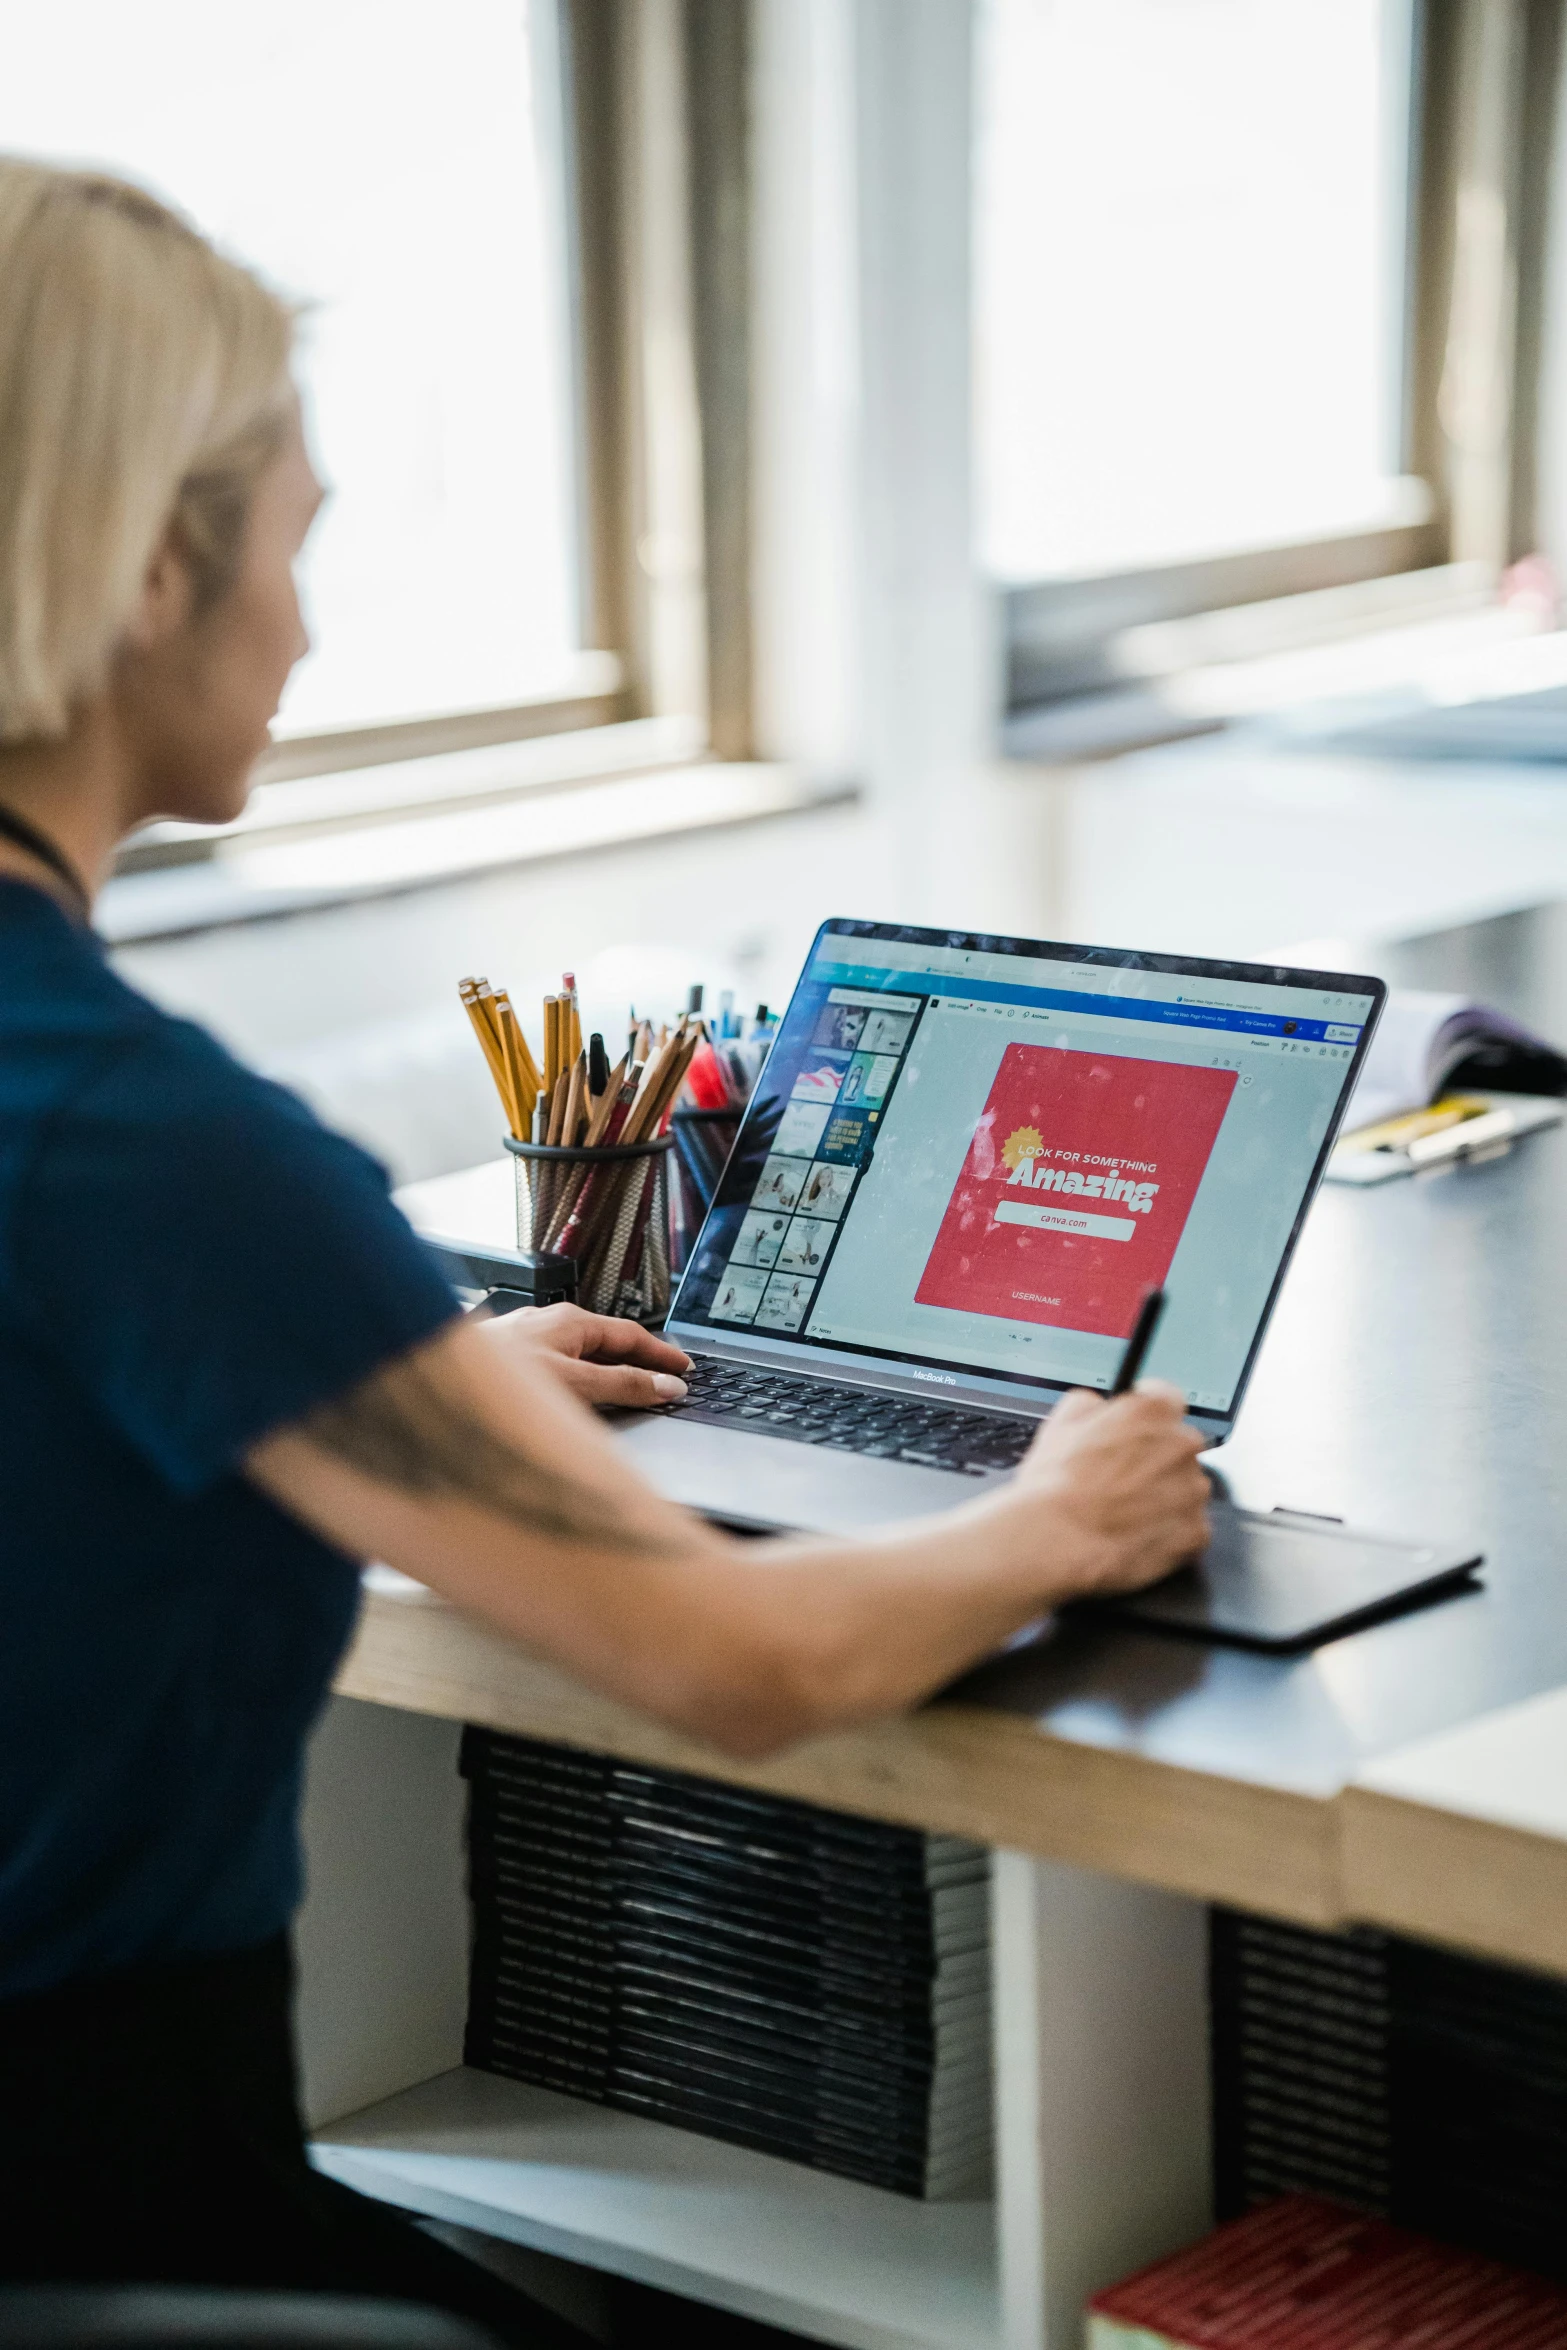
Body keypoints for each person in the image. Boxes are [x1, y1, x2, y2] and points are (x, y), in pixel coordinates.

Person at [0, 161, 1210, 2334]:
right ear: (160, 564)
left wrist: (387, 1383)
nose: (305, 626)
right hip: (98, 2186)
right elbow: (742, 1663)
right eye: (297, 543)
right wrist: (1060, 1512)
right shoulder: (150, 1139)